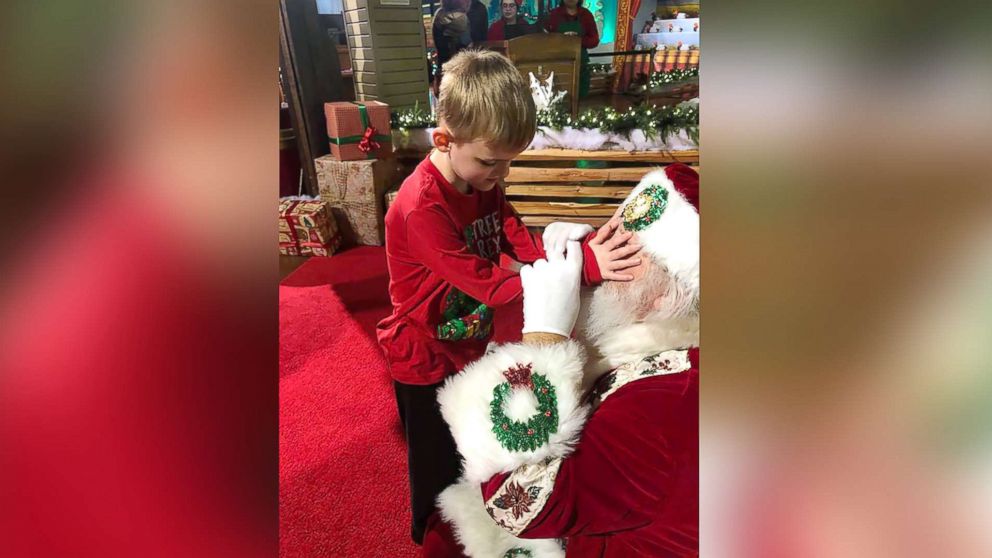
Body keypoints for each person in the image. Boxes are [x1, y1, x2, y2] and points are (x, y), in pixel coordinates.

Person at [375, 49, 644, 546]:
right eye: (489, 161)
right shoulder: (420, 209)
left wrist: (556, 257)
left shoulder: (481, 180)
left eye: (508, 163)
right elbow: (486, 281)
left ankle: (471, 522)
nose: (499, 174)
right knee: (433, 460)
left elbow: (510, 229)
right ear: (444, 140)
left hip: (466, 339)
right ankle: (431, 538)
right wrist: (579, 269)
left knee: (468, 445)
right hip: (423, 353)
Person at [423, 163, 701, 556]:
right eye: (612, 227)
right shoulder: (667, 349)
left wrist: (543, 340)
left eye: (625, 247)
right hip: (602, 516)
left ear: (666, 296)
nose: (603, 252)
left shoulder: (665, 400)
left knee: (443, 540)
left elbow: (516, 503)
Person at [544, 0, 600, 98]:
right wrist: (560, 39)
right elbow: (545, 39)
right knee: (558, 99)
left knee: (579, 98)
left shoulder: (586, 15)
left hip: (580, 65)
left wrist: (578, 40)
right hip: (558, 65)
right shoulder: (554, 15)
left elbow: (594, 40)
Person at [432, 0, 471, 87]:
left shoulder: (439, 14)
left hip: (442, 72)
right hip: (459, 74)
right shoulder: (461, 18)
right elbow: (466, 46)